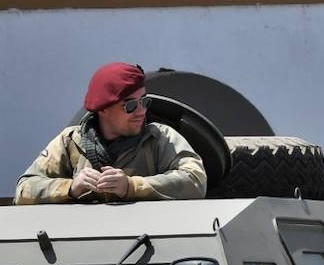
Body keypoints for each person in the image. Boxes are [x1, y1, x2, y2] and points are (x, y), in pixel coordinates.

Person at [15, 62, 206, 205]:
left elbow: (195, 181)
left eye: (144, 101)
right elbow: (24, 190)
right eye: (130, 105)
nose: (141, 111)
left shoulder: (160, 138)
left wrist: (131, 187)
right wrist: (70, 188)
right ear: (103, 109)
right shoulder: (70, 142)